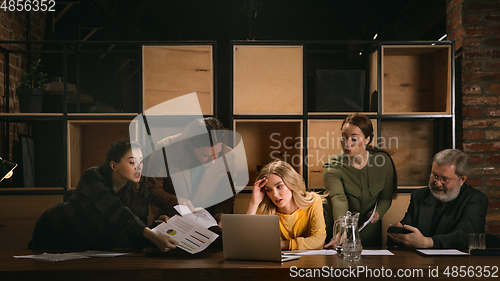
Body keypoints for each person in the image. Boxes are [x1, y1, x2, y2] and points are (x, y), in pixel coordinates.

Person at [31, 139, 178, 251]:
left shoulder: (141, 190)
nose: (139, 167)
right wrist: (150, 234)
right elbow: (113, 209)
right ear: (114, 165)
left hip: (90, 246)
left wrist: (157, 227)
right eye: (132, 162)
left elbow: (136, 235)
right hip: (54, 232)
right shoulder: (93, 176)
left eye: (141, 161)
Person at [387, 149, 488, 249]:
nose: (437, 183)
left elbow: (464, 236)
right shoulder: (419, 196)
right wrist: (398, 235)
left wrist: (428, 242)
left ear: (462, 179)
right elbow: (407, 229)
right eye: (434, 176)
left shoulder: (476, 199)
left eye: (444, 179)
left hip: (457, 264)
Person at [323, 113, 397, 248]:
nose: (347, 143)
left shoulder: (383, 161)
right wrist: (342, 231)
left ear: (367, 139)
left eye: (354, 139)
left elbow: (386, 197)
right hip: (340, 233)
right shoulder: (333, 164)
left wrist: (378, 213)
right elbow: (338, 199)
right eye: (344, 137)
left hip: (370, 234)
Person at [145, 117, 234, 228]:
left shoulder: (228, 154)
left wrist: (221, 213)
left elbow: (227, 194)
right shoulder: (163, 150)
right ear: (190, 144)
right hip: (169, 220)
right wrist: (178, 202)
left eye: (218, 153)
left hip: (208, 225)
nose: (214, 160)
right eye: (206, 155)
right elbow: (151, 189)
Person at [247, 160, 327, 250]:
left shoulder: (313, 201)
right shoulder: (265, 209)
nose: (275, 194)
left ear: (291, 182)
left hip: (310, 262)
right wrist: (254, 203)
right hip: (278, 263)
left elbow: (319, 240)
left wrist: (281, 245)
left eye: (279, 186)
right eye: (268, 190)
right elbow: (247, 242)